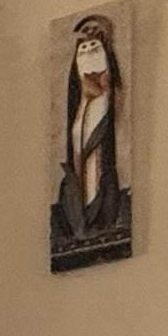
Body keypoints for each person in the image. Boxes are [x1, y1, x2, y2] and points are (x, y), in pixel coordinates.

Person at [50, 14, 132, 267]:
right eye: (83, 50)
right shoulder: (80, 100)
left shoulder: (105, 92)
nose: (88, 53)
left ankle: (99, 216)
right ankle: (80, 219)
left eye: (94, 48)